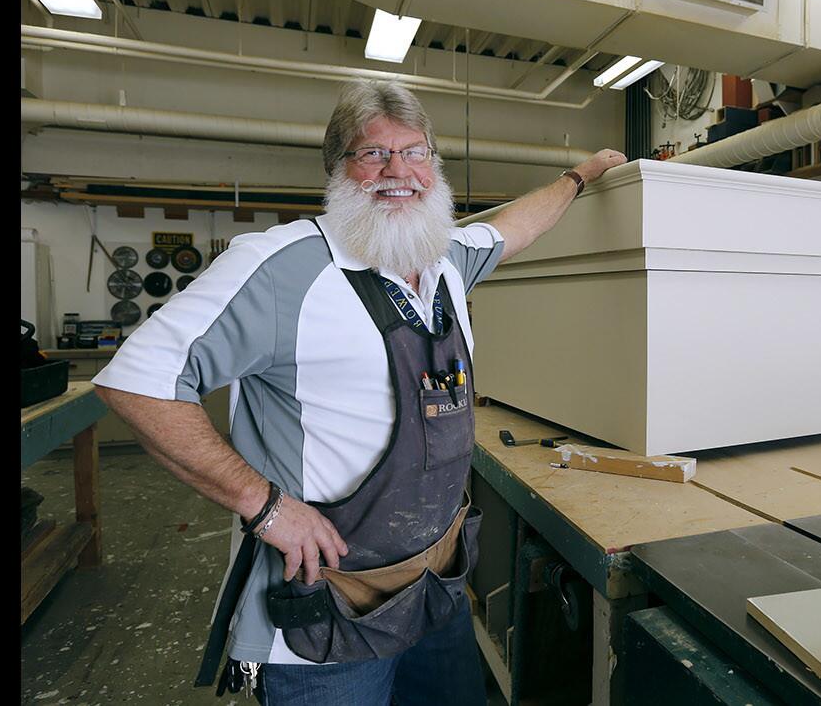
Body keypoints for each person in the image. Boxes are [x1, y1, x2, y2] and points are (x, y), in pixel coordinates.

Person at [91, 79, 626, 705]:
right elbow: (137, 381)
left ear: (435, 165)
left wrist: (580, 176)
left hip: (435, 586)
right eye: (373, 154)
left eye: (415, 151)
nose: (398, 171)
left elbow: (515, 227)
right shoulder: (283, 266)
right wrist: (263, 504)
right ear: (338, 169)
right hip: (326, 617)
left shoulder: (446, 256)